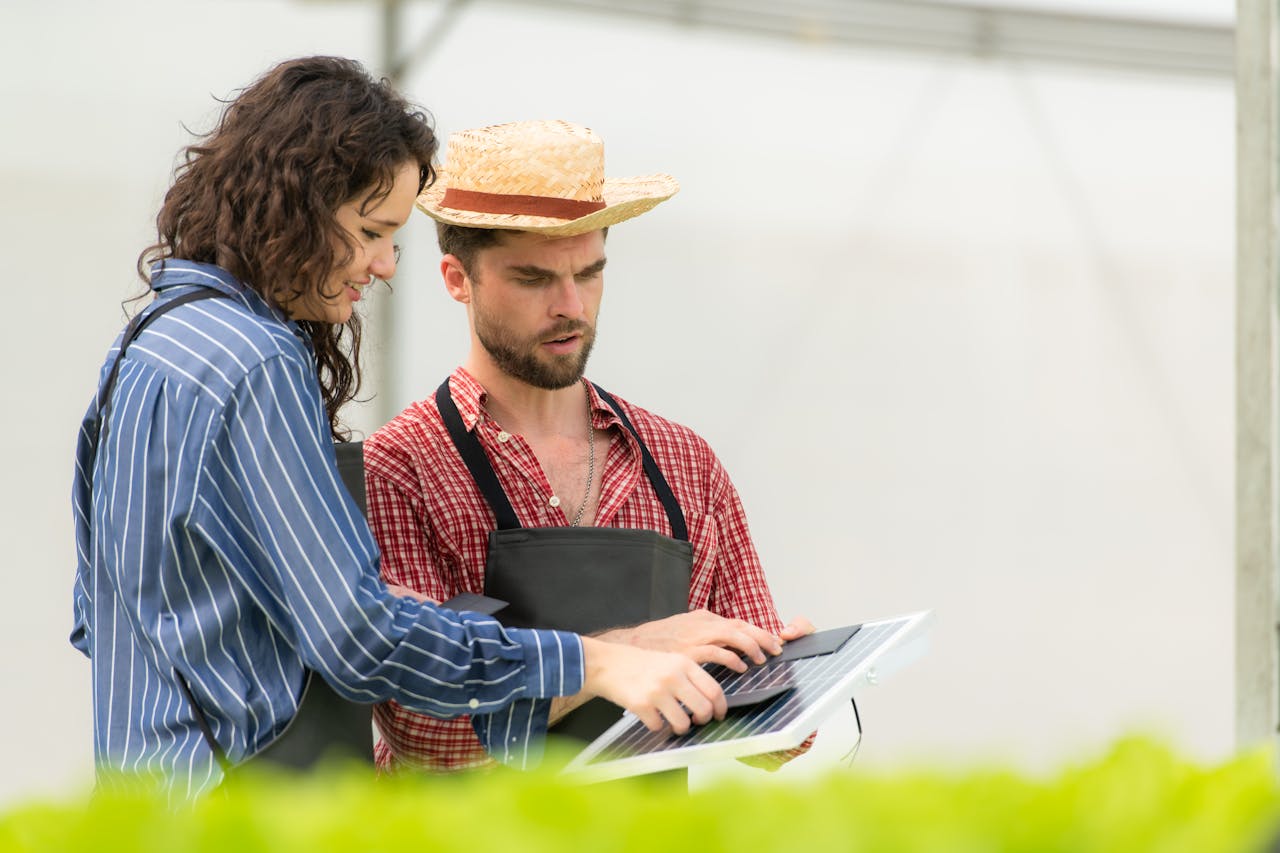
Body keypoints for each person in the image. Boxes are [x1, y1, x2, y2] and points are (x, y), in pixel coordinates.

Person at [70, 61, 725, 799]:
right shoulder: (263, 363)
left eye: (590, 271)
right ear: (295, 209)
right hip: (237, 812)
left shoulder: (146, 345)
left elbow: (97, 615)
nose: (384, 265)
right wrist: (595, 661)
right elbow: (357, 637)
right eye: (370, 231)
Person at [364, 119, 813, 773]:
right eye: (533, 278)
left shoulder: (683, 461)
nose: (570, 305)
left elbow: (776, 745)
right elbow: (426, 728)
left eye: (590, 272)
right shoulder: (402, 466)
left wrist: (775, 675)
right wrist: (624, 652)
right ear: (457, 278)